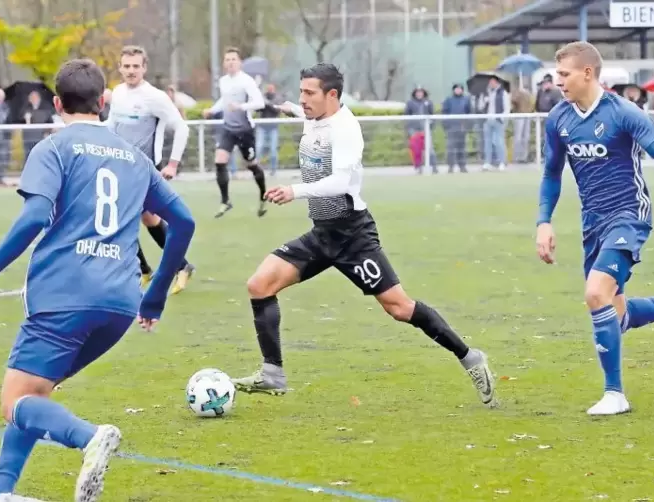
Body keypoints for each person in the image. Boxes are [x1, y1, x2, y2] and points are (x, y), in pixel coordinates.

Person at [0, 59, 195, 502]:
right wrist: (154, 296)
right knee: (33, 393)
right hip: (120, 303)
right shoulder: (134, 158)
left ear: (57, 103)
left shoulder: (54, 148)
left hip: (63, 296)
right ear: (103, 103)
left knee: (16, 402)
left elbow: (32, 220)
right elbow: (184, 222)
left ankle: (89, 437)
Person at [231, 64, 496, 408]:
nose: (303, 99)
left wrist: (294, 191)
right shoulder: (314, 116)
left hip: (352, 237)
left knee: (399, 308)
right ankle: (272, 374)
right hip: (322, 234)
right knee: (259, 285)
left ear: (332, 95)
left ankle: (470, 357)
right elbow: (307, 116)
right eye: (301, 92)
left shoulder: (346, 130)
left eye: (309, 93)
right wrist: (290, 108)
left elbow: (341, 182)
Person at [536, 41, 654, 416]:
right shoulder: (558, 118)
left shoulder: (623, 113)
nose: (558, 82)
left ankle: (615, 394)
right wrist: (544, 221)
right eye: (557, 75)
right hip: (593, 222)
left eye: (564, 74)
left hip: (629, 214)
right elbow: (552, 174)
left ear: (588, 73)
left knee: (595, 293)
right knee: (616, 314)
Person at [107, 45, 194, 294]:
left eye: (136, 66)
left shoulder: (154, 97)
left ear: (144, 68)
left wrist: (174, 163)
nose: (131, 70)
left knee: (121, 220)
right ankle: (170, 267)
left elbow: (182, 127)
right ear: (120, 68)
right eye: (127, 66)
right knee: (148, 219)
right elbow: (112, 126)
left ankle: (145, 270)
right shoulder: (118, 93)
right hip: (120, 166)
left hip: (144, 169)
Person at [202, 47, 267, 218]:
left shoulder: (246, 81)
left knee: (252, 165)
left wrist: (241, 106)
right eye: (227, 60)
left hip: (245, 130)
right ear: (224, 63)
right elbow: (224, 100)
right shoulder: (223, 81)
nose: (230, 63)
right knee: (220, 160)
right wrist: (212, 110)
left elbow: (259, 102)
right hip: (228, 129)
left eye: (233, 59)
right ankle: (225, 201)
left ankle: (263, 197)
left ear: (239, 63)